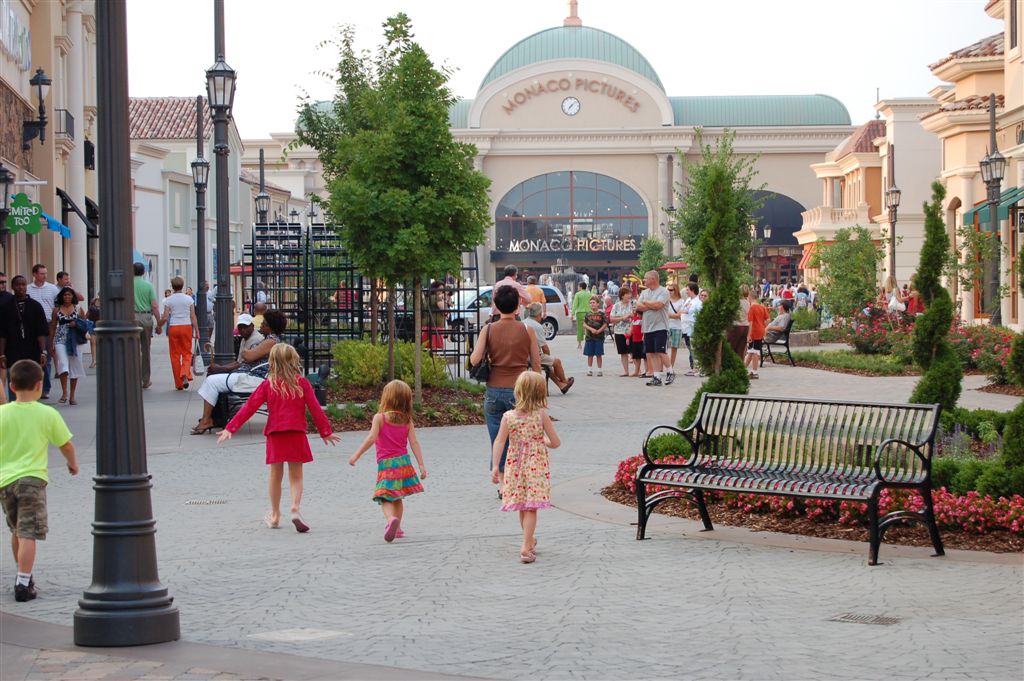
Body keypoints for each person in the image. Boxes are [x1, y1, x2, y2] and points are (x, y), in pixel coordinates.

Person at [218, 344, 338, 532]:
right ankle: (295, 508)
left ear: (272, 362)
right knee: (296, 476)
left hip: (275, 434)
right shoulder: (302, 383)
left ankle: (275, 515)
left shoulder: (268, 385)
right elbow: (315, 408)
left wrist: (230, 428)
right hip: (296, 433)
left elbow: (249, 407)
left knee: (275, 476)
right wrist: (325, 431)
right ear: (294, 361)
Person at [0, 359, 78, 602]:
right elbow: (65, 443)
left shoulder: (2, 414)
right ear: (39, 384)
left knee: (17, 530)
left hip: (5, 482)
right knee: (28, 533)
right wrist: (72, 464)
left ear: (11, 385)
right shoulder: (47, 414)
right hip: (32, 480)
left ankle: (23, 573)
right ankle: (23, 584)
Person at [470, 285, 540, 487]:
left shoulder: (489, 329)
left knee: (497, 438)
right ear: (518, 305)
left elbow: (475, 359)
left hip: (493, 390)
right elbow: (536, 362)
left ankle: (502, 482)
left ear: (497, 306)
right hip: (520, 391)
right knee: (521, 438)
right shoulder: (527, 330)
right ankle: (519, 478)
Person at [489, 371, 560, 564]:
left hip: (515, 465)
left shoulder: (508, 417)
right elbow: (556, 442)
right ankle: (525, 547)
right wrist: (543, 441)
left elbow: (499, 441)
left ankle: (529, 540)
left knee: (522, 505)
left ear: (518, 391)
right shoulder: (541, 415)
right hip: (535, 465)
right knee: (531, 507)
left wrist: (496, 465)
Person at [348, 379, 427, 542]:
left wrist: (356, 455)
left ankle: (391, 520)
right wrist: (421, 464)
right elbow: (414, 442)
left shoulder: (380, 418)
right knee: (397, 496)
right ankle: (397, 528)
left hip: (387, 465)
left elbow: (371, 438)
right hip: (404, 464)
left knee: (384, 496)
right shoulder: (407, 420)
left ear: (386, 398)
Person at [193, 310, 285, 434]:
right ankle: (214, 418)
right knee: (213, 378)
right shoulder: (268, 339)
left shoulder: (270, 341)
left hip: (252, 378)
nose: (261, 325)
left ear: (270, 327)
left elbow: (248, 356)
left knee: (211, 381)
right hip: (248, 375)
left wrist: (245, 352)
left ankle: (206, 420)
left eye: (264, 324)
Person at [0, 276, 50, 402]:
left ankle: (32, 404)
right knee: (14, 378)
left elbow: (41, 332)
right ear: (12, 287)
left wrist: (43, 351)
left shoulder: (35, 306)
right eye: (18, 285)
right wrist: (2, 354)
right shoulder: (6, 307)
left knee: (32, 378)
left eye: (23, 284)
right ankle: (14, 405)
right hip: (12, 350)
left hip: (32, 349)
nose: (21, 287)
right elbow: (2, 333)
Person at [159, 277, 199, 391]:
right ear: (182, 286)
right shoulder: (189, 299)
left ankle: (179, 383)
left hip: (174, 327)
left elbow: (166, 316)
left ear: (172, 286)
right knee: (187, 353)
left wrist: (159, 325)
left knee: (174, 355)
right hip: (186, 326)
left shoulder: (169, 300)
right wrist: (197, 330)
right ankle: (185, 372)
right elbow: (193, 316)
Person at [48, 287, 87, 405]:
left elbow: (85, 324)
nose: (67, 297)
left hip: (75, 340)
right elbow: (53, 327)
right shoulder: (56, 310)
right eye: (65, 295)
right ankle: (64, 393)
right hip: (61, 339)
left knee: (75, 366)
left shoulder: (78, 308)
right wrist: (51, 344)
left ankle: (72, 395)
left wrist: (77, 323)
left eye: (69, 295)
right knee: (63, 364)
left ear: (73, 296)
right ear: (61, 297)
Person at [524, 303, 573, 394]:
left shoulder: (524, 322)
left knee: (548, 364)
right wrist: (549, 357)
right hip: (532, 356)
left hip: (522, 355)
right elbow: (545, 348)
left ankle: (561, 385)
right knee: (556, 362)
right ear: (539, 314)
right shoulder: (537, 326)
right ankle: (564, 381)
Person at [26, 265, 59, 399]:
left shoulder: (52, 289)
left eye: (45, 273)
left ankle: (45, 388)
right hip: (30, 326)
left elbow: (57, 306)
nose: (44, 276)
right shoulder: (27, 289)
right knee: (31, 357)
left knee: (45, 358)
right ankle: (32, 387)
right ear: (34, 274)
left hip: (47, 325)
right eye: (41, 273)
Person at [635, 271, 671, 386]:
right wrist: (650, 305)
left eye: (646, 278)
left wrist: (645, 303)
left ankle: (670, 372)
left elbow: (658, 306)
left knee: (660, 351)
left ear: (653, 279)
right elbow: (638, 306)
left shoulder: (663, 291)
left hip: (660, 326)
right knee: (651, 352)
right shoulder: (645, 292)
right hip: (647, 327)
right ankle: (657, 376)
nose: (644, 280)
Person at [133, 263, 160, 389]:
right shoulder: (148, 285)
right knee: (145, 349)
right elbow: (154, 306)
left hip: (132, 317)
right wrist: (159, 323)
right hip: (146, 317)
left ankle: (134, 378)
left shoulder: (127, 285)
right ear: (143, 272)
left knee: (133, 349)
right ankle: (145, 379)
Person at [609, 287, 634, 377]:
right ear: (622, 295)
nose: (629, 296)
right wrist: (622, 318)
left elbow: (637, 316)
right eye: (627, 294)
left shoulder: (633, 304)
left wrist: (632, 315)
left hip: (631, 331)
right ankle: (625, 371)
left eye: (630, 294)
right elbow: (611, 319)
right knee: (623, 352)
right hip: (619, 331)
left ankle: (636, 370)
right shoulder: (616, 306)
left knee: (633, 350)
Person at [745, 287, 769, 379]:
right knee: (751, 351)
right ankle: (743, 370)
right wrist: (763, 326)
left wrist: (748, 335)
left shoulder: (752, 308)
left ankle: (754, 372)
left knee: (754, 352)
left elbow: (750, 322)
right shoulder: (762, 307)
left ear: (750, 297)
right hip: (760, 330)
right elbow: (768, 320)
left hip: (754, 331)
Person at [582, 295, 607, 376]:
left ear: (598, 304)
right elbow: (584, 324)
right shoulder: (587, 314)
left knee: (599, 354)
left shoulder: (601, 314)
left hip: (599, 337)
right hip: (589, 337)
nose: (592, 304)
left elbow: (605, 324)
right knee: (590, 354)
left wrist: (599, 330)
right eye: (590, 303)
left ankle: (600, 370)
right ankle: (589, 370)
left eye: (594, 303)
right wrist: (591, 329)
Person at [665, 282, 685, 381]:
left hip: (677, 326)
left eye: (671, 290)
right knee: (664, 348)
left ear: (676, 290)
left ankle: (671, 367)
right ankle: (666, 366)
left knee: (674, 348)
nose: (669, 292)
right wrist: (672, 315)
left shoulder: (681, 301)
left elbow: (679, 315)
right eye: (668, 290)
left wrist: (668, 315)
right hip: (666, 326)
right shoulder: (666, 300)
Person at [570, 282, 593, 349]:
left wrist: (572, 314)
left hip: (580, 313)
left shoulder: (578, 294)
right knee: (588, 328)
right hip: (588, 313)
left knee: (580, 328)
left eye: (578, 286)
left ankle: (579, 344)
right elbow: (591, 304)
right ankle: (588, 342)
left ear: (580, 287)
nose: (578, 288)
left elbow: (575, 304)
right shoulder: (589, 294)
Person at [86, 296, 100, 369]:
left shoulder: (105, 303)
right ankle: (94, 361)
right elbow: (87, 315)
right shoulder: (93, 302)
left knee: (97, 343)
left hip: (100, 324)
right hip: (93, 324)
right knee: (93, 343)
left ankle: (96, 361)